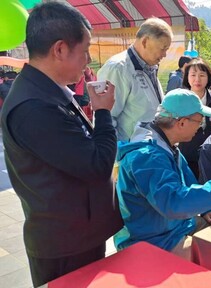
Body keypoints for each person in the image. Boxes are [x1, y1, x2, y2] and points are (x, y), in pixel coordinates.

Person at [1, 2, 123, 286]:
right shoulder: (34, 107)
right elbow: (97, 165)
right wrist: (104, 112)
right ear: (60, 49)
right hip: (65, 244)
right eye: (85, 50)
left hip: (77, 235)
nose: (89, 59)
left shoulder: (46, 92)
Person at [115, 89, 211, 260]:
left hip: (175, 227)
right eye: (199, 121)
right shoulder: (147, 157)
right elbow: (176, 203)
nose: (201, 127)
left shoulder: (167, 145)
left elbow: (189, 183)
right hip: (154, 240)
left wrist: (207, 210)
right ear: (181, 123)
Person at [97, 18, 172, 141]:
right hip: (129, 154)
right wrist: (118, 155)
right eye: (163, 48)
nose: (164, 54)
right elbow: (106, 118)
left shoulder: (149, 67)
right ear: (145, 42)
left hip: (148, 150)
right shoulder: (118, 68)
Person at [180, 59, 211, 178]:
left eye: (202, 75)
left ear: (208, 77)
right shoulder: (180, 100)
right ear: (187, 77)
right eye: (193, 75)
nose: (197, 79)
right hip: (185, 158)